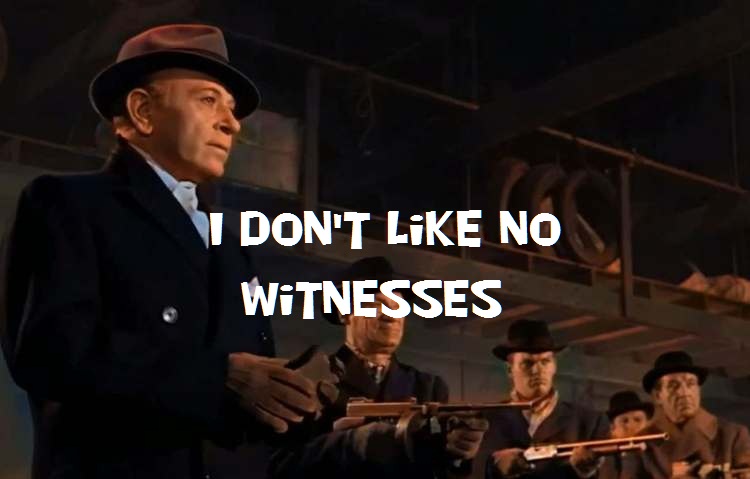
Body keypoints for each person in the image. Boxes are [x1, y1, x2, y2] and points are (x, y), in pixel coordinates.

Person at [0, 24, 323, 479]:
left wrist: (312, 413)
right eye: (208, 99)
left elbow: (249, 401)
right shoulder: (67, 204)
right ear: (143, 111)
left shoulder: (231, 248)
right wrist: (220, 377)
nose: (232, 124)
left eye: (231, 109)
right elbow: (49, 354)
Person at [268, 256, 489, 478]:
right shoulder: (310, 377)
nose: (391, 316)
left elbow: (439, 469)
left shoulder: (429, 387)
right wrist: (349, 443)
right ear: (344, 312)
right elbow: (281, 465)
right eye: (377, 304)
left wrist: (458, 453)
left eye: (398, 306)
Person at [481, 319, 610, 479]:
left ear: (554, 366)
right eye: (527, 363)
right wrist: (494, 468)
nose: (537, 370)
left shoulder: (590, 422)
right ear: (509, 369)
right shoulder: (485, 422)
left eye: (545, 361)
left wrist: (581, 473)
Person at [638, 351, 750, 479]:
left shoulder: (732, 435)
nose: (684, 393)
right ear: (658, 396)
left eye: (690, 384)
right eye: (673, 386)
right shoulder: (640, 444)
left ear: (698, 389)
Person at [598, 391, 654, 479]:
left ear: (647, 424)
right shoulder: (604, 461)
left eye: (637, 420)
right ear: (613, 429)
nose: (632, 426)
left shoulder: (658, 455)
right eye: (625, 421)